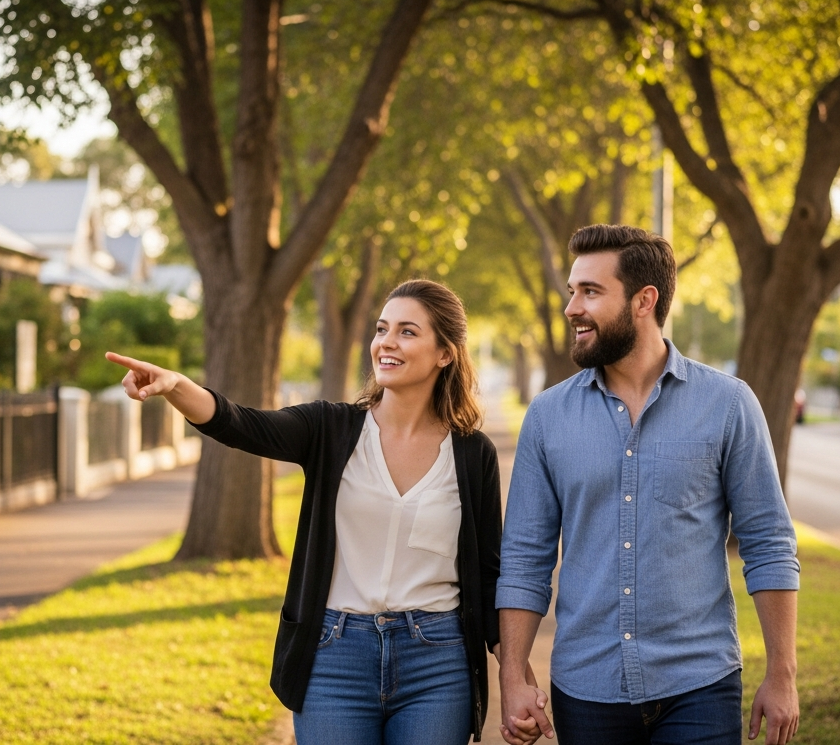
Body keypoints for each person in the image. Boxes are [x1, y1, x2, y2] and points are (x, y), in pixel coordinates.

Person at [108, 279, 540, 744]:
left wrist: (514, 674)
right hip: (334, 659)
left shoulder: (472, 454)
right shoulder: (330, 428)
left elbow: (489, 573)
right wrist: (176, 387)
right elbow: (244, 424)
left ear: (445, 353)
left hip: (436, 663)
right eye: (381, 329)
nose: (386, 343)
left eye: (407, 332)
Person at [496, 224, 801, 745]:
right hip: (586, 688)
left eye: (590, 292)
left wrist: (782, 674)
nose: (572, 307)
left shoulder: (728, 405)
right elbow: (526, 555)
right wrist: (512, 675)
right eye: (573, 291)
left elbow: (769, 542)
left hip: (699, 686)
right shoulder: (548, 416)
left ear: (644, 300)